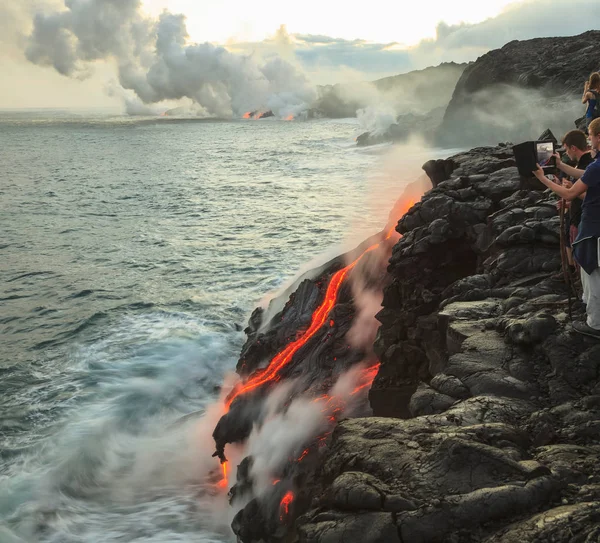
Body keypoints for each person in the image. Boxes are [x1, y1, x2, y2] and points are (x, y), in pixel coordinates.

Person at [533, 118, 600, 338]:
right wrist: (560, 166)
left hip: (594, 227)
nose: (589, 140)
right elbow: (587, 174)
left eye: (590, 135)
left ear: (598, 137)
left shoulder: (597, 165)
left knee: (593, 272)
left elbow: (571, 193)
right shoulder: (596, 165)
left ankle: (595, 324)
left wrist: (544, 179)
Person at [554, 130, 595, 260]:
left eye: (566, 149)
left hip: (583, 220)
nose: (566, 153)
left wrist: (545, 179)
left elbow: (591, 196)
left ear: (573, 148)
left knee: (583, 260)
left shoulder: (590, 164)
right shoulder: (588, 163)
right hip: (578, 217)